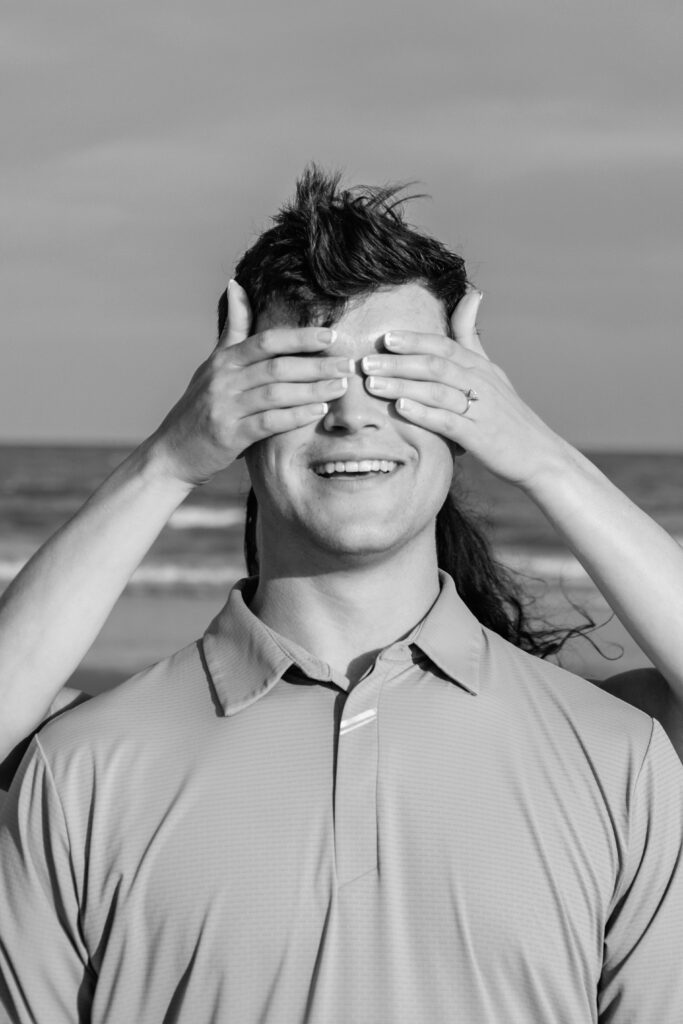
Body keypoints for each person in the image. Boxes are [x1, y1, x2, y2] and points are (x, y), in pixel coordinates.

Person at [0, 167, 682, 1021]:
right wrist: (168, 459)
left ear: (468, 417)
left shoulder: (619, 759)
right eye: (304, 375)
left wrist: (539, 454)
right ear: (234, 414)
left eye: (404, 375)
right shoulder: (82, 768)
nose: (353, 416)